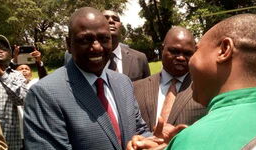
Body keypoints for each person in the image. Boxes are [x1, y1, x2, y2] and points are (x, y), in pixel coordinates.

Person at [127, 13, 256, 150]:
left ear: (224, 50)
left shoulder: (192, 142)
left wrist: (184, 143)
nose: (187, 60)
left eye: (196, 50)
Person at [23, 7, 150, 150]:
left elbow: (138, 131)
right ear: (68, 44)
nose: (97, 47)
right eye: (85, 40)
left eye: (104, 39)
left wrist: (155, 141)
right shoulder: (44, 94)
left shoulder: (123, 83)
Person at [133, 26, 206, 131]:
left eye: (187, 53)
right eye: (174, 51)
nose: (180, 57)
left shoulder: (205, 88)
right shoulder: (136, 88)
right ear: (162, 49)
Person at [102, 10, 150, 81]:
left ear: (121, 26)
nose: (111, 21)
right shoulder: (88, 59)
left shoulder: (140, 58)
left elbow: (148, 89)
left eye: (116, 19)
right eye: (105, 18)